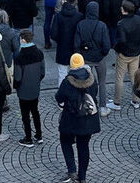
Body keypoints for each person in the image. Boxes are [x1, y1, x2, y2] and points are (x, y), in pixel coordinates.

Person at [55, 53, 100, 183]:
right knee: (83, 146)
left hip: (71, 119)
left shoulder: (67, 81)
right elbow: (95, 93)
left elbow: (59, 97)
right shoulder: (92, 79)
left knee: (65, 142)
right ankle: (83, 177)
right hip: (88, 120)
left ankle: (72, 170)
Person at [74, 1, 111, 116]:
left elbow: (76, 44)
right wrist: (102, 54)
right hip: (99, 58)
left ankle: (87, 105)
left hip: (85, 58)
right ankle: (103, 107)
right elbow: (106, 45)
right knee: (102, 82)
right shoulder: (102, 25)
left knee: (86, 83)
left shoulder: (81, 24)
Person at [13, 29, 45, 147]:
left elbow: (17, 77)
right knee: (35, 111)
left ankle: (28, 138)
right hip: (35, 89)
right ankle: (39, 135)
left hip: (23, 91)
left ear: (23, 40)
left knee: (25, 115)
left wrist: (16, 86)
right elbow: (42, 72)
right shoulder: (39, 53)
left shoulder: (19, 56)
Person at [111, 0, 140, 111]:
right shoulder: (139, 20)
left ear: (124, 10)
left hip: (124, 54)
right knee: (134, 76)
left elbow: (122, 41)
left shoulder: (121, 24)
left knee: (119, 77)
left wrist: (117, 49)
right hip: (136, 52)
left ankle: (117, 102)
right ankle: (136, 100)